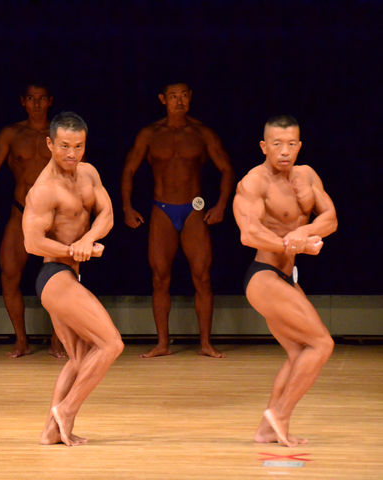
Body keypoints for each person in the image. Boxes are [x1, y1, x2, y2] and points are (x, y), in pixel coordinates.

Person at [233, 115, 336, 447]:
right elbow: (249, 233)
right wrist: (292, 245)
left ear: (300, 145)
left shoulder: (307, 175)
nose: (284, 151)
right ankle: (280, 415)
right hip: (264, 277)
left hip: (287, 277)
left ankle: (266, 430)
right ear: (264, 146)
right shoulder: (253, 182)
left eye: (291, 144)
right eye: (277, 144)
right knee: (322, 344)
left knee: (298, 352)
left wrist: (304, 232)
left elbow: (330, 218)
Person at [23, 111, 123, 446]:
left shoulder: (89, 173)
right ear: (50, 144)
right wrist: (73, 249)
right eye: (65, 146)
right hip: (54, 276)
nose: (72, 153)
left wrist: (87, 239)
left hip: (69, 274)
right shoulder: (43, 190)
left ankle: (51, 432)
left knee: (80, 359)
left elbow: (107, 214)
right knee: (111, 344)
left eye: (78, 146)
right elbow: (32, 243)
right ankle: (65, 411)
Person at [121, 82, 235, 358]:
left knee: (203, 277)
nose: (179, 101)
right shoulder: (150, 134)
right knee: (160, 279)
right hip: (161, 209)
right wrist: (127, 208)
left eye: (184, 95)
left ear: (190, 97)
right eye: (173, 96)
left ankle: (205, 343)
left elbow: (226, 169)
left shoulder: (202, 133)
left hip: (194, 208)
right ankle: (162, 343)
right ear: (163, 99)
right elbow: (129, 170)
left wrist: (221, 205)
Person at [0, 83, 64, 358]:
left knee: (60, 280)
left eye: (41, 99)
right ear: (23, 102)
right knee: (9, 274)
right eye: (31, 99)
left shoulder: (62, 133)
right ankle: (21, 340)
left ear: (50, 101)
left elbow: (82, 173)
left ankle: (57, 340)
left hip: (55, 216)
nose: (36, 104)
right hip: (21, 213)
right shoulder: (12, 134)